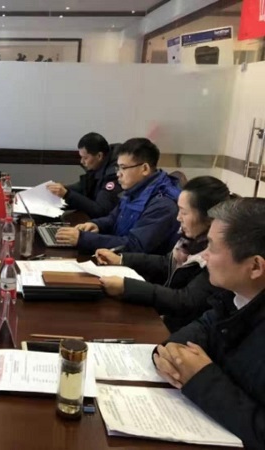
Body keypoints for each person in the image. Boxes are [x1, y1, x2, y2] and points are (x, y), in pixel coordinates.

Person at [153, 198, 265, 449]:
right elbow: (195, 332)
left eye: (212, 248)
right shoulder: (234, 297)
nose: (204, 255)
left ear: (255, 266)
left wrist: (202, 379)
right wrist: (169, 354)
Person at [96, 176, 231, 332]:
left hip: (183, 329)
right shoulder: (190, 240)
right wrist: (121, 259)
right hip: (167, 319)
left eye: (184, 212)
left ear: (208, 218)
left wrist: (126, 287)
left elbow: (185, 300)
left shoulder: (217, 254)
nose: (178, 217)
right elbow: (166, 262)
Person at [56, 138, 180, 255]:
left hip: (136, 266)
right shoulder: (136, 189)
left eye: (123, 168)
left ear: (145, 169)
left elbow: (135, 245)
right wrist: (96, 225)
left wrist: (83, 239)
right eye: (118, 167)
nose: (118, 174)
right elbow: (114, 218)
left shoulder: (162, 204)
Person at [47, 132, 121, 218]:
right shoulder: (100, 164)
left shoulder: (113, 175)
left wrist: (67, 194)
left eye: (85, 158)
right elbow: (85, 187)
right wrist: (62, 190)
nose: (81, 161)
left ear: (99, 156)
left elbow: (100, 211)